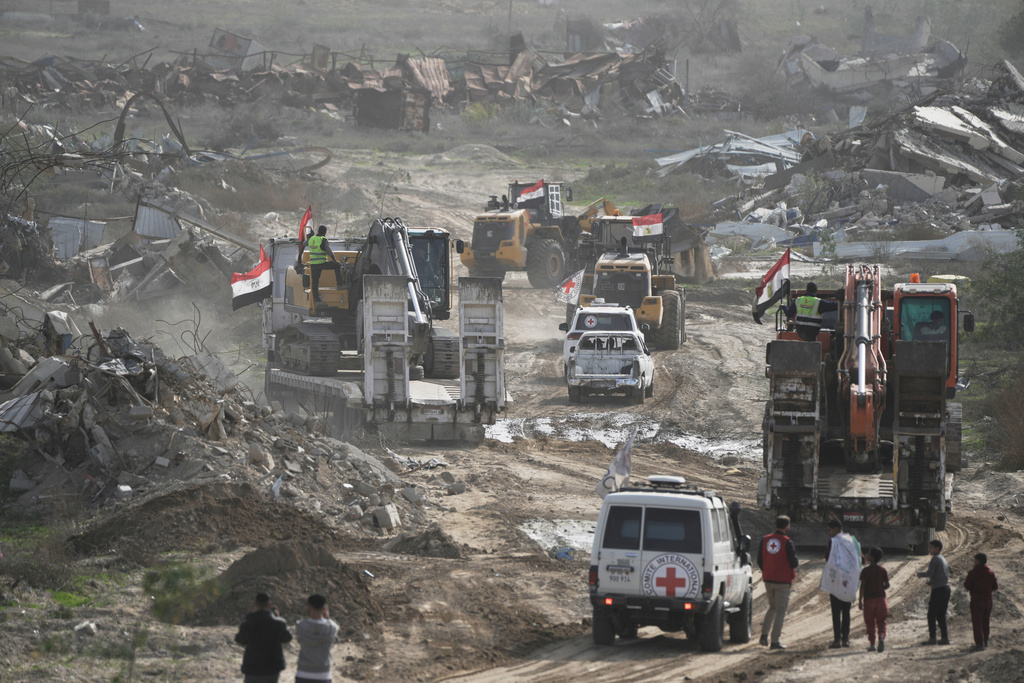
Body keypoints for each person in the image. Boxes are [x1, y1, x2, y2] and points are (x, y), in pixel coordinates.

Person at [757, 515, 800, 650]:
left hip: (768, 578)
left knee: (772, 607)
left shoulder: (765, 539)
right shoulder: (787, 542)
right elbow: (794, 562)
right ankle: (775, 641)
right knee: (781, 610)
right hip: (782, 581)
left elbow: (759, 559)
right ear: (787, 527)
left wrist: (767, 570)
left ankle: (764, 636)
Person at [235, 592, 293, 683]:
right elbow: (287, 638)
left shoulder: (248, 623)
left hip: (252, 667)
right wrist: (277, 617)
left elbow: (239, 639)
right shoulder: (278, 623)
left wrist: (251, 617)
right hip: (272, 667)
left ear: (255, 604)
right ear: (269, 604)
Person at [295, 594, 340, 682]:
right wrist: (327, 617)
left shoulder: (301, 626)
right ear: (324, 609)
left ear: (309, 608)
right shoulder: (331, 628)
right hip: (323, 674)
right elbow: (335, 626)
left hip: (303, 672)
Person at [296, 225, 341, 305]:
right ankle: (339, 284)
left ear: (318, 231)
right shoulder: (323, 240)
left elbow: (303, 244)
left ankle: (316, 299)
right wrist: (335, 261)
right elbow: (329, 252)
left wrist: (309, 236)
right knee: (337, 266)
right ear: (325, 232)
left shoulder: (311, 239)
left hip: (313, 264)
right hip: (322, 263)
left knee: (315, 282)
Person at [825, 519, 852, 648]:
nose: (829, 533)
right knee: (846, 610)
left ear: (836, 529)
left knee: (836, 611)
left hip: (836, 581)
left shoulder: (833, 542)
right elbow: (860, 558)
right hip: (848, 581)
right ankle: (845, 639)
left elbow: (827, 557)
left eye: (830, 530)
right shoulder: (851, 540)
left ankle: (837, 640)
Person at [917, 539, 950, 645]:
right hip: (945, 588)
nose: (929, 549)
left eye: (931, 547)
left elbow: (930, 573)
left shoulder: (935, 559)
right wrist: (931, 582)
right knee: (941, 614)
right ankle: (944, 637)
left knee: (931, 614)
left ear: (937, 549)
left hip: (939, 590)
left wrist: (919, 574)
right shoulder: (942, 559)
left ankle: (932, 638)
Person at [964, 552, 998, 652]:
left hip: (977, 599)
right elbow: (995, 586)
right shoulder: (990, 572)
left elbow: (966, 586)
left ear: (978, 561)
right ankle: (986, 640)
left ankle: (979, 643)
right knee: (986, 620)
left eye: (975, 560)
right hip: (988, 599)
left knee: (977, 622)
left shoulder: (973, 573)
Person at [859, 547, 890, 653]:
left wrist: (860, 601)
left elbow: (862, 587)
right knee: (882, 621)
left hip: (869, 600)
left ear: (871, 558)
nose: (866, 555)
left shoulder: (865, 571)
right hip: (881, 599)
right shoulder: (882, 570)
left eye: (868, 553)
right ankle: (881, 636)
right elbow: (887, 585)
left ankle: (872, 644)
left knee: (870, 623)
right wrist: (881, 588)